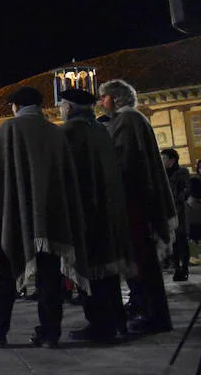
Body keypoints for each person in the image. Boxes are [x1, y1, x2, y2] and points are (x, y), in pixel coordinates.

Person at [0, 86, 89, 349]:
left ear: (15, 105)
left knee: (4, 274)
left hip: (16, 216)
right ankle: (49, 334)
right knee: (50, 278)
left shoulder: (10, 129)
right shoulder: (55, 131)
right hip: (50, 217)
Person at [57, 88, 135, 343]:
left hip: (85, 212)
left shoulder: (69, 133)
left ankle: (100, 326)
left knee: (90, 271)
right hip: (109, 210)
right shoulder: (101, 130)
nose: (60, 109)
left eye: (62, 105)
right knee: (108, 273)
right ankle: (117, 322)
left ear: (69, 107)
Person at [100, 78, 176, 334]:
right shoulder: (133, 119)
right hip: (139, 200)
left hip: (134, 202)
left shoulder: (126, 120)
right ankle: (149, 311)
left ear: (114, 99)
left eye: (104, 97)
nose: (101, 102)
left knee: (143, 261)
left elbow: (124, 162)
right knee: (143, 260)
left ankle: (155, 316)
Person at [161, 148, 191, 281]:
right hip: (168, 211)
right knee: (173, 242)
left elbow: (187, 189)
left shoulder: (181, 172)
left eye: (164, 158)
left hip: (179, 211)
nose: (162, 161)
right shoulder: (162, 174)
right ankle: (176, 267)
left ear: (172, 159)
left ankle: (184, 268)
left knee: (181, 240)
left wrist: (178, 199)